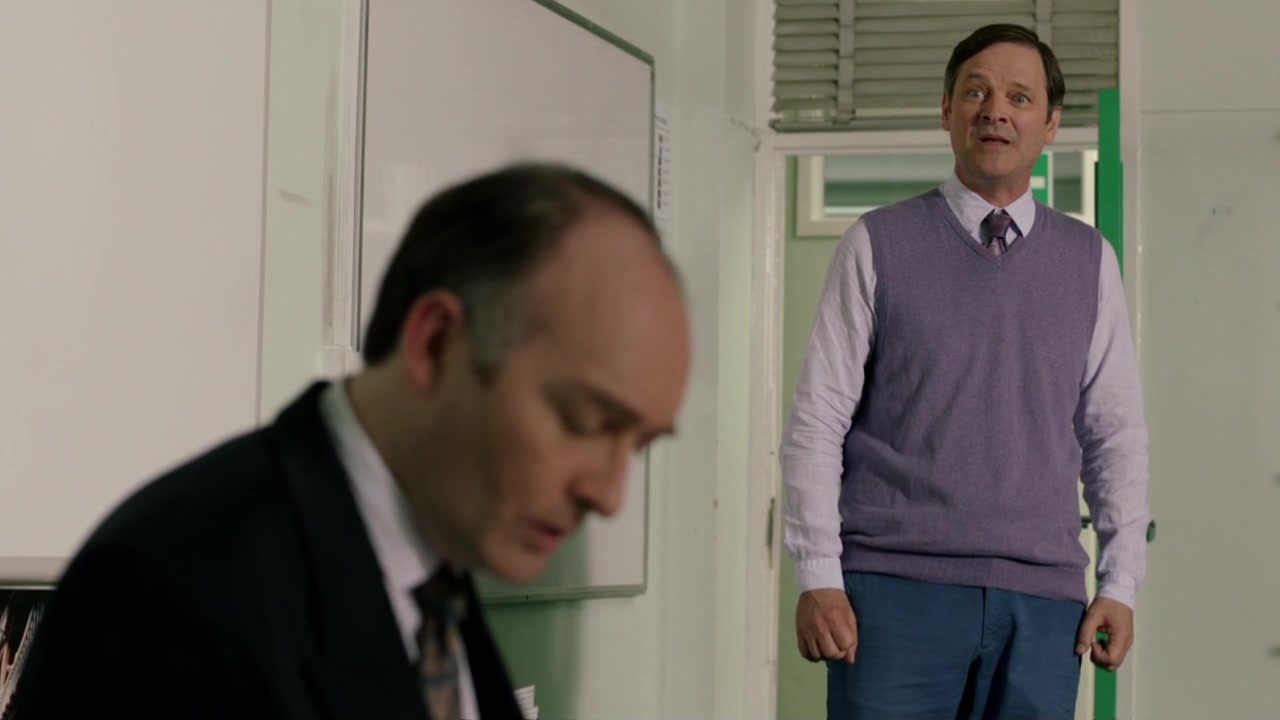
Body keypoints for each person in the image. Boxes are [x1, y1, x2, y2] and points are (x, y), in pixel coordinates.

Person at [14, 163, 691, 719]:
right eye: (586, 421)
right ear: (436, 344)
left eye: (639, 446)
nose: (609, 495)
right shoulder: (167, 591)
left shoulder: (438, 586)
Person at [781, 24, 1150, 720]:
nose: (996, 111)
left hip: (1043, 606)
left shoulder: (1090, 261)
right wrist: (817, 574)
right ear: (947, 109)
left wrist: (1120, 581)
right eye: (976, 93)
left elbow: (1116, 434)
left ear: (1050, 124)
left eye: (1019, 97)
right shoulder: (876, 244)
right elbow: (816, 422)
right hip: (891, 593)